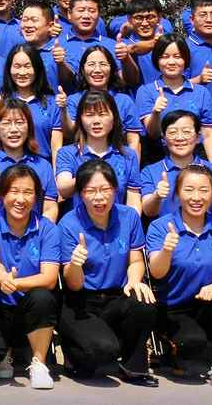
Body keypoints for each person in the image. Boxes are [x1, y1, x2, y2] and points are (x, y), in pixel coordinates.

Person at [53, 159, 157, 386]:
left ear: (115, 190)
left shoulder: (129, 217)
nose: (99, 197)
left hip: (116, 295)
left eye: (105, 189)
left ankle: (133, 367)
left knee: (144, 301)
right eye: (90, 191)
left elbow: (136, 260)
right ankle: (74, 356)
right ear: (80, 194)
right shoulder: (68, 224)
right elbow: (73, 284)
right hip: (81, 302)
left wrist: (134, 281)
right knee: (101, 351)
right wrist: (75, 264)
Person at [145, 164, 212, 387]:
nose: (196, 197)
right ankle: (174, 352)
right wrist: (167, 251)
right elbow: (156, 272)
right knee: (192, 346)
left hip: (207, 305)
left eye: (204, 190)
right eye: (189, 190)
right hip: (173, 308)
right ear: (177, 193)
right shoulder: (160, 227)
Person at [0, 164, 62, 390]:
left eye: (28, 192)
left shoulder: (47, 228)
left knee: (43, 296)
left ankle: (39, 362)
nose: (20, 199)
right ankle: (6, 352)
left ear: (37, 197)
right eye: (14, 191)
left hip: (30, 303)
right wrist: (2, 278)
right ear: (2, 194)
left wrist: (9, 282)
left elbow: (49, 278)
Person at [137, 110, 212, 229]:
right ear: (163, 139)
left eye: (186, 132)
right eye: (172, 132)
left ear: (198, 137)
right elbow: (148, 211)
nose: (180, 138)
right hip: (168, 237)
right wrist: (157, 196)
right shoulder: (150, 172)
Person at [0, 98, 59, 221]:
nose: (13, 129)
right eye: (6, 123)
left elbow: (50, 207)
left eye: (19, 122)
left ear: (29, 128)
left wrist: (42, 230)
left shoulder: (43, 165)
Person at [53, 88, 141, 210]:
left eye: (102, 114)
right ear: (80, 120)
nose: (96, 121)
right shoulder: (67, 153)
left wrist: (131, 220)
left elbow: (133, 200)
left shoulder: (128, 155)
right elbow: (63, 189)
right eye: (89, 115)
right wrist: (93, 171)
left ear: (114, 119)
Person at [137, 37, 212, 164]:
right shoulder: (146, 91)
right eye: (165, 57)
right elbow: (153, 133)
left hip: (195, 160)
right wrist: (156, 112)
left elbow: (208, 134)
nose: (171, 62)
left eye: (177, 56)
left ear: (186, 59)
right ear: (157, 60)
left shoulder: (201, 92)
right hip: (159, 159)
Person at [62, 45, 143, 156]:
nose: (97, 70)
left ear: (112, 69)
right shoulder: (74, 100)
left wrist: (131, 163)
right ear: (83, 69)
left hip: (117, 160)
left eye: (103, 64)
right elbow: (69, 132)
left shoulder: (124, 101)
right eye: (91, 64)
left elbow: (134, 140)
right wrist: (63, 109)